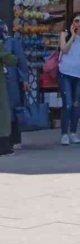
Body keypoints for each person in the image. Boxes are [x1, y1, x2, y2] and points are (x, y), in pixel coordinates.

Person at [58, 13, 80, 145]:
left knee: (76, 104)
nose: (79, 23)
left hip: (79, 74)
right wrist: (72, 36)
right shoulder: (64, 34)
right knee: (68, 104)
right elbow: (64, 50)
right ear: (72, 22)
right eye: (76, 21)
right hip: (65, 73)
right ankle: (64, 133)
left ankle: (73, 132)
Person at [0, 20, 28, 153]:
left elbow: (20, 61)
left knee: (13, 109)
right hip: (2, 82)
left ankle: (15, 139)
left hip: (11, 81)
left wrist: (25, 79)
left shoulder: (12, 41)